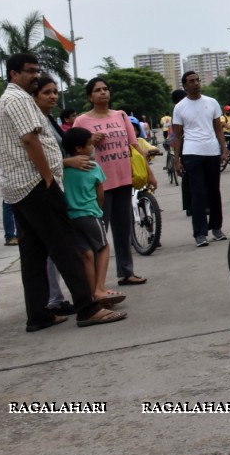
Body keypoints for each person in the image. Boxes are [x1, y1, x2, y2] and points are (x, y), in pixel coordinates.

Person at [0, 52, 125, 331]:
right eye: (29, 71)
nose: (35, 76)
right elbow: (29, 138)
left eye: (37, 71)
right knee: (65, 246)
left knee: (33, 254)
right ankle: (88, 308)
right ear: (13, 74)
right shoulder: (18, 99)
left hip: (20, 188)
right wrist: (48, 177)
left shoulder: (11, 99)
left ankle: (38, 315)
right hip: (35, 185)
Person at [73, 77, 153, 287]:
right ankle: (95, 283)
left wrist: (148, 171)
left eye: (106, 89)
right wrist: (91, 141)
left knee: (123, 228)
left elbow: (135, 145)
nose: (103, 93)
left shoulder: (120, 115)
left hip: (123, 180)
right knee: (99, 233)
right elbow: (74, 149)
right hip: (98, 184)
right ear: (90, 96)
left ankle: (126, 272)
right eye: (98, 90)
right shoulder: (82, 121)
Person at [33, 73, 101, 315]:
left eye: (54, 92)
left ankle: (58, 297)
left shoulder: (48, 119)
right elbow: (40, 158)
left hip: (60, 189)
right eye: (46, 92)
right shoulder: (34, 122)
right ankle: (56, 299)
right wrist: (68, 162)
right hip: (44, 189)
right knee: (55, 249)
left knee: (63, 249)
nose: (52, 97)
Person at [61, 127, 125, 309]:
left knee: (87, 254)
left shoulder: (64, 169)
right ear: (79, 148)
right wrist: (98, 210)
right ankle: (100, 288)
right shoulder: (93, 166)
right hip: (90, 213)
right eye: (89, 144)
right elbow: (101, 195)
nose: (92, 147)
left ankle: (91, 292)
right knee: (103, 247)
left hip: (71, 217)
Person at [172, 71, 228, 247]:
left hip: (212, 151)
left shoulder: (211, 103)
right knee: (198, 194)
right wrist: (176, 159)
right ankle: (200, 233)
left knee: (214, 191)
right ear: (185, 85)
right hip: (191, 153)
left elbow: (218, 129)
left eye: (197, 80)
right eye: (191, 81)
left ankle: (216, 228)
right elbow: (178, 136)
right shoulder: (180, 107)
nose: (196, 83)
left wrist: (224, 150)